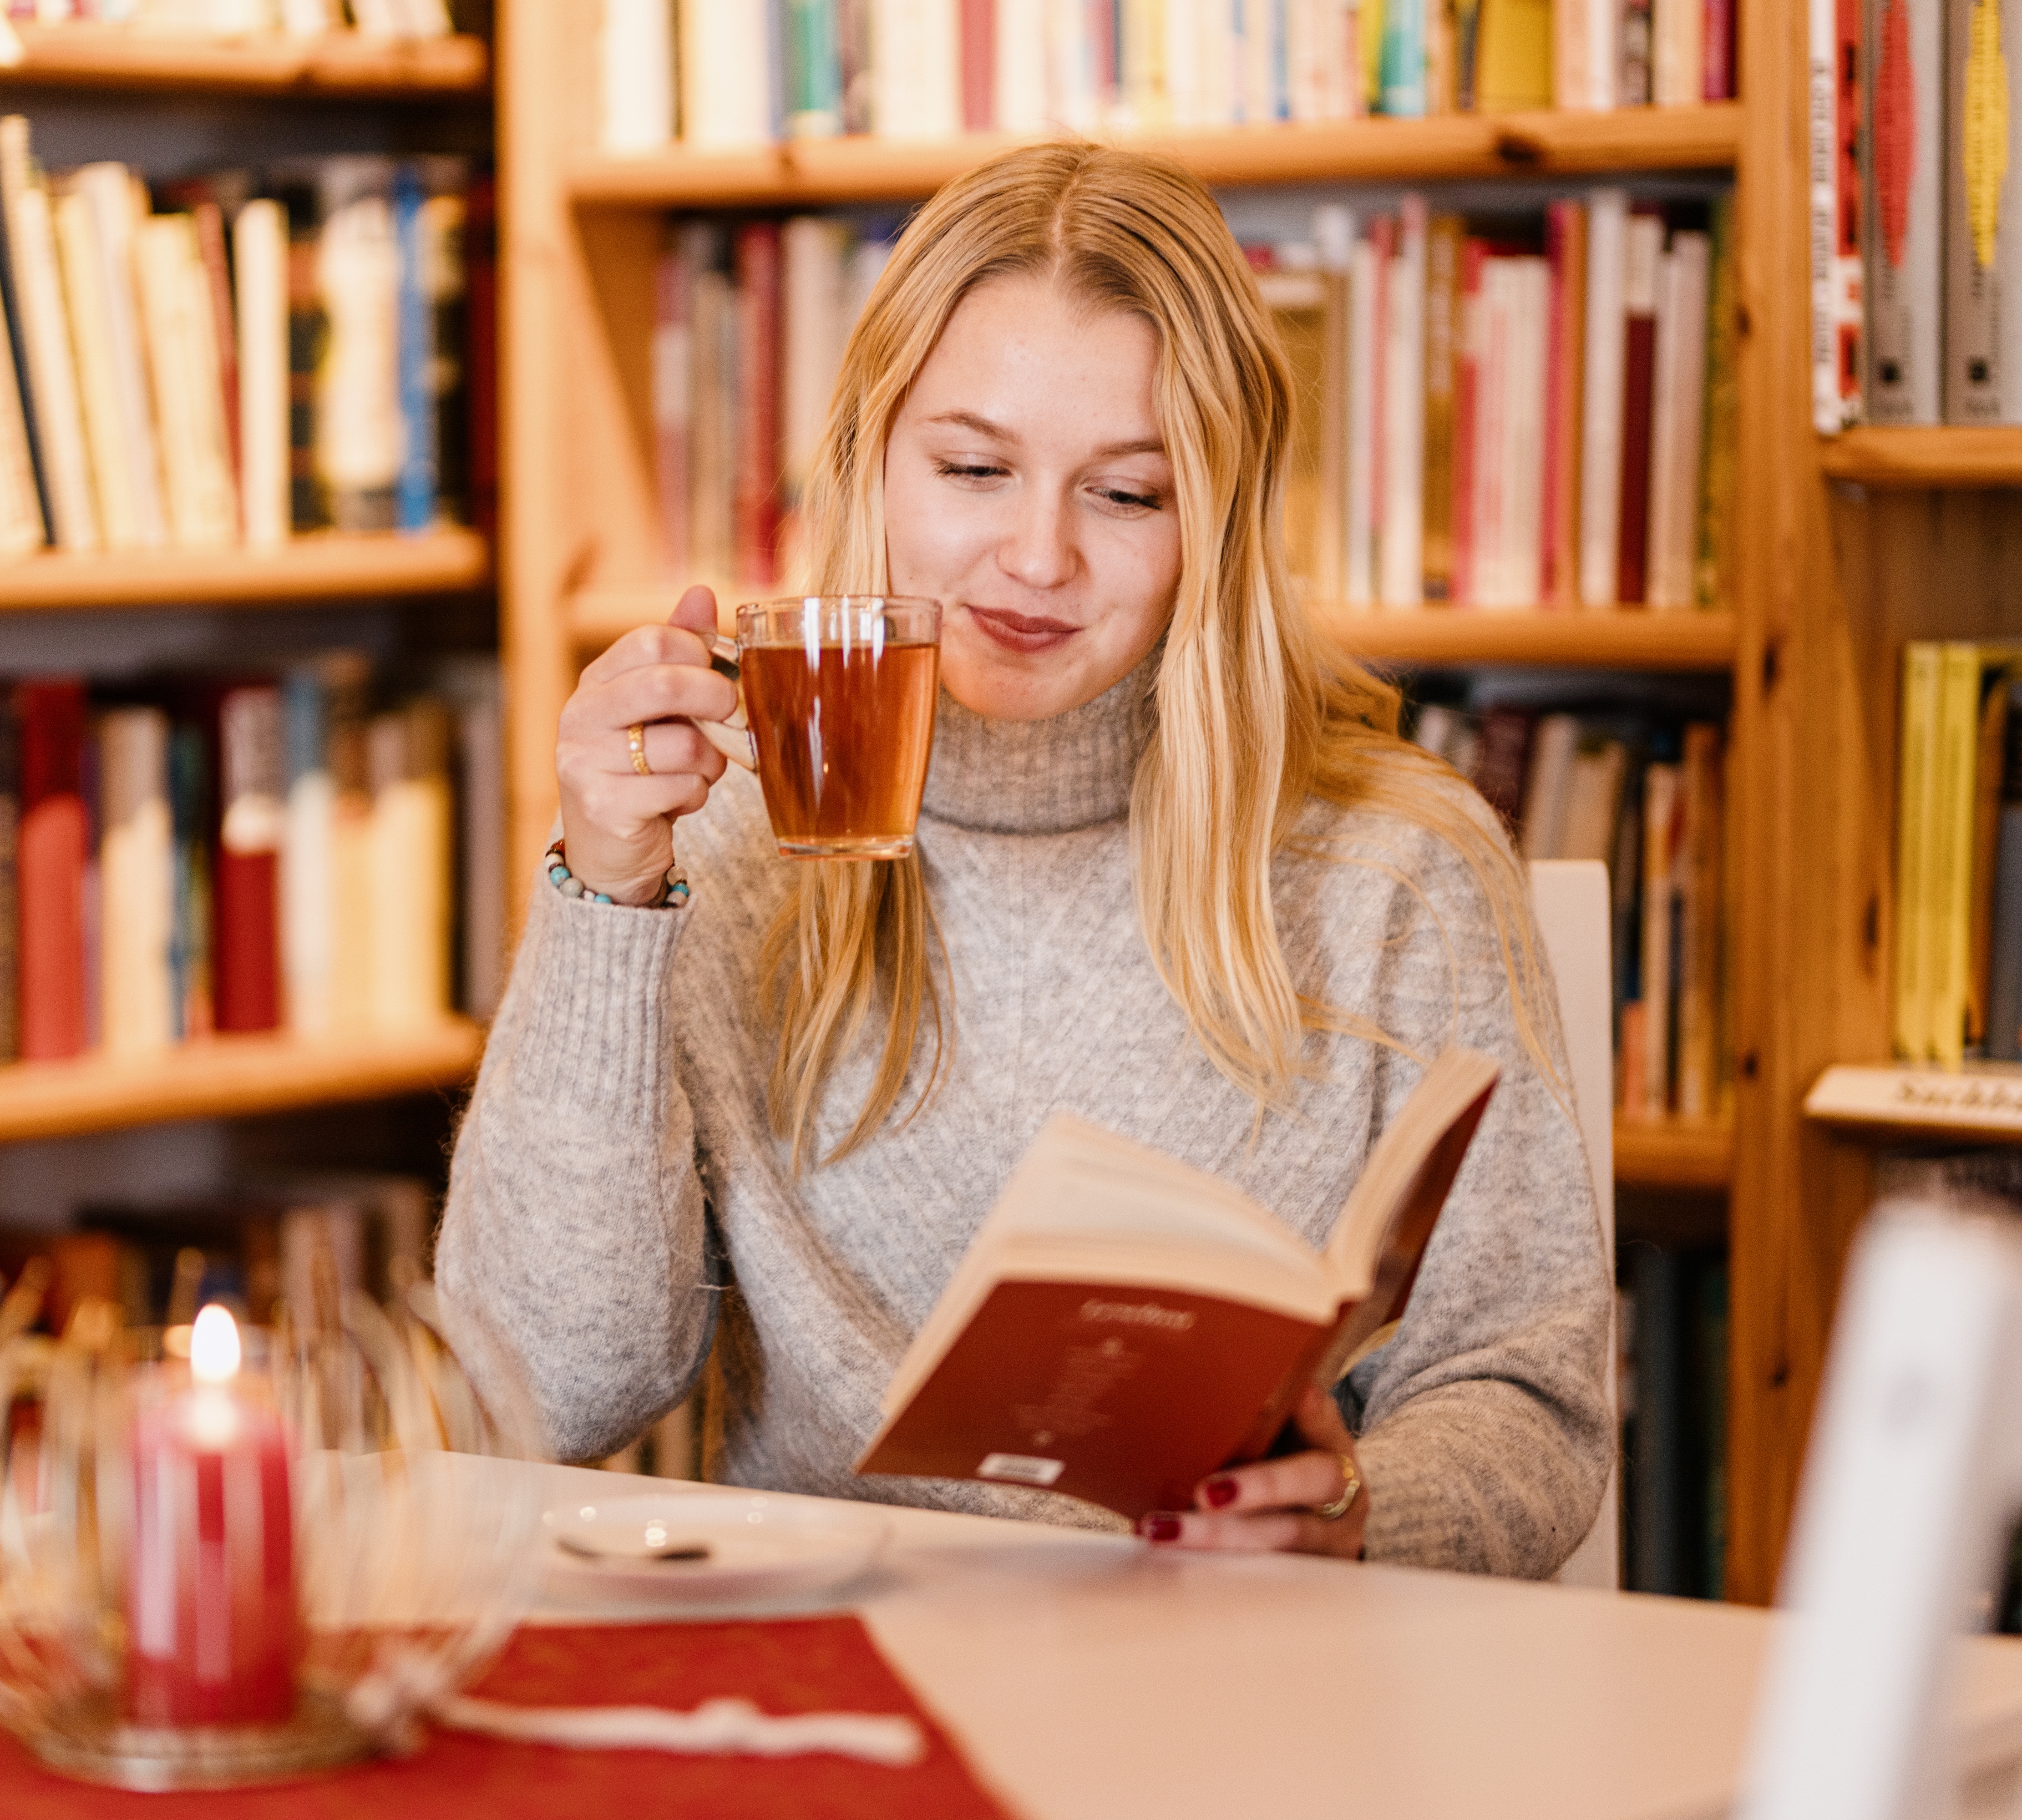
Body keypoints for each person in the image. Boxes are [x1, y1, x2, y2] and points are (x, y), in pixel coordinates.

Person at [438, 142, 1610, 1576]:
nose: (1037, 559)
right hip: (837, 1688)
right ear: (872, 460)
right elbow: (541, 1389)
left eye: (1127, 494)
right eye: (976, 469)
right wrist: (602, 894)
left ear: (1215, 528)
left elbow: (1530, 1407)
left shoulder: (1395, 872)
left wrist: (1363, 1520)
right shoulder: (733, 844)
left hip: (1248, 1699)